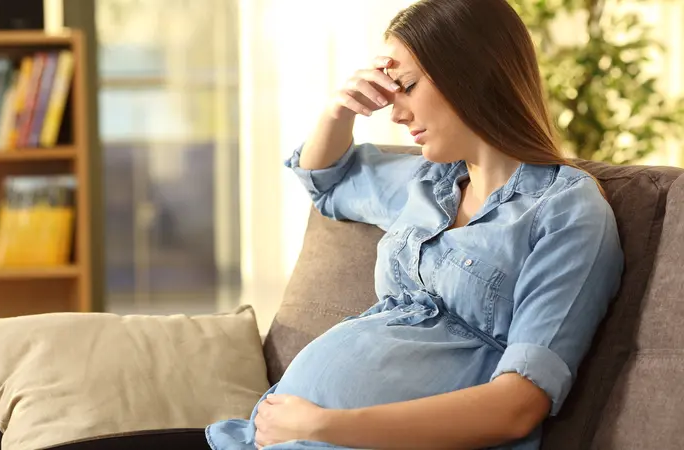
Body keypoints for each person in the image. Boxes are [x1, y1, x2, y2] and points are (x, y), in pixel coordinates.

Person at [206, 0, 624, 448]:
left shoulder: (567, 211)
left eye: (405, 87)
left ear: (469, 71)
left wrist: (322, 425)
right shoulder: (429, 182)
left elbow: (519, 405)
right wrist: (339, 109)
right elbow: (326, 181)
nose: (396, 113)